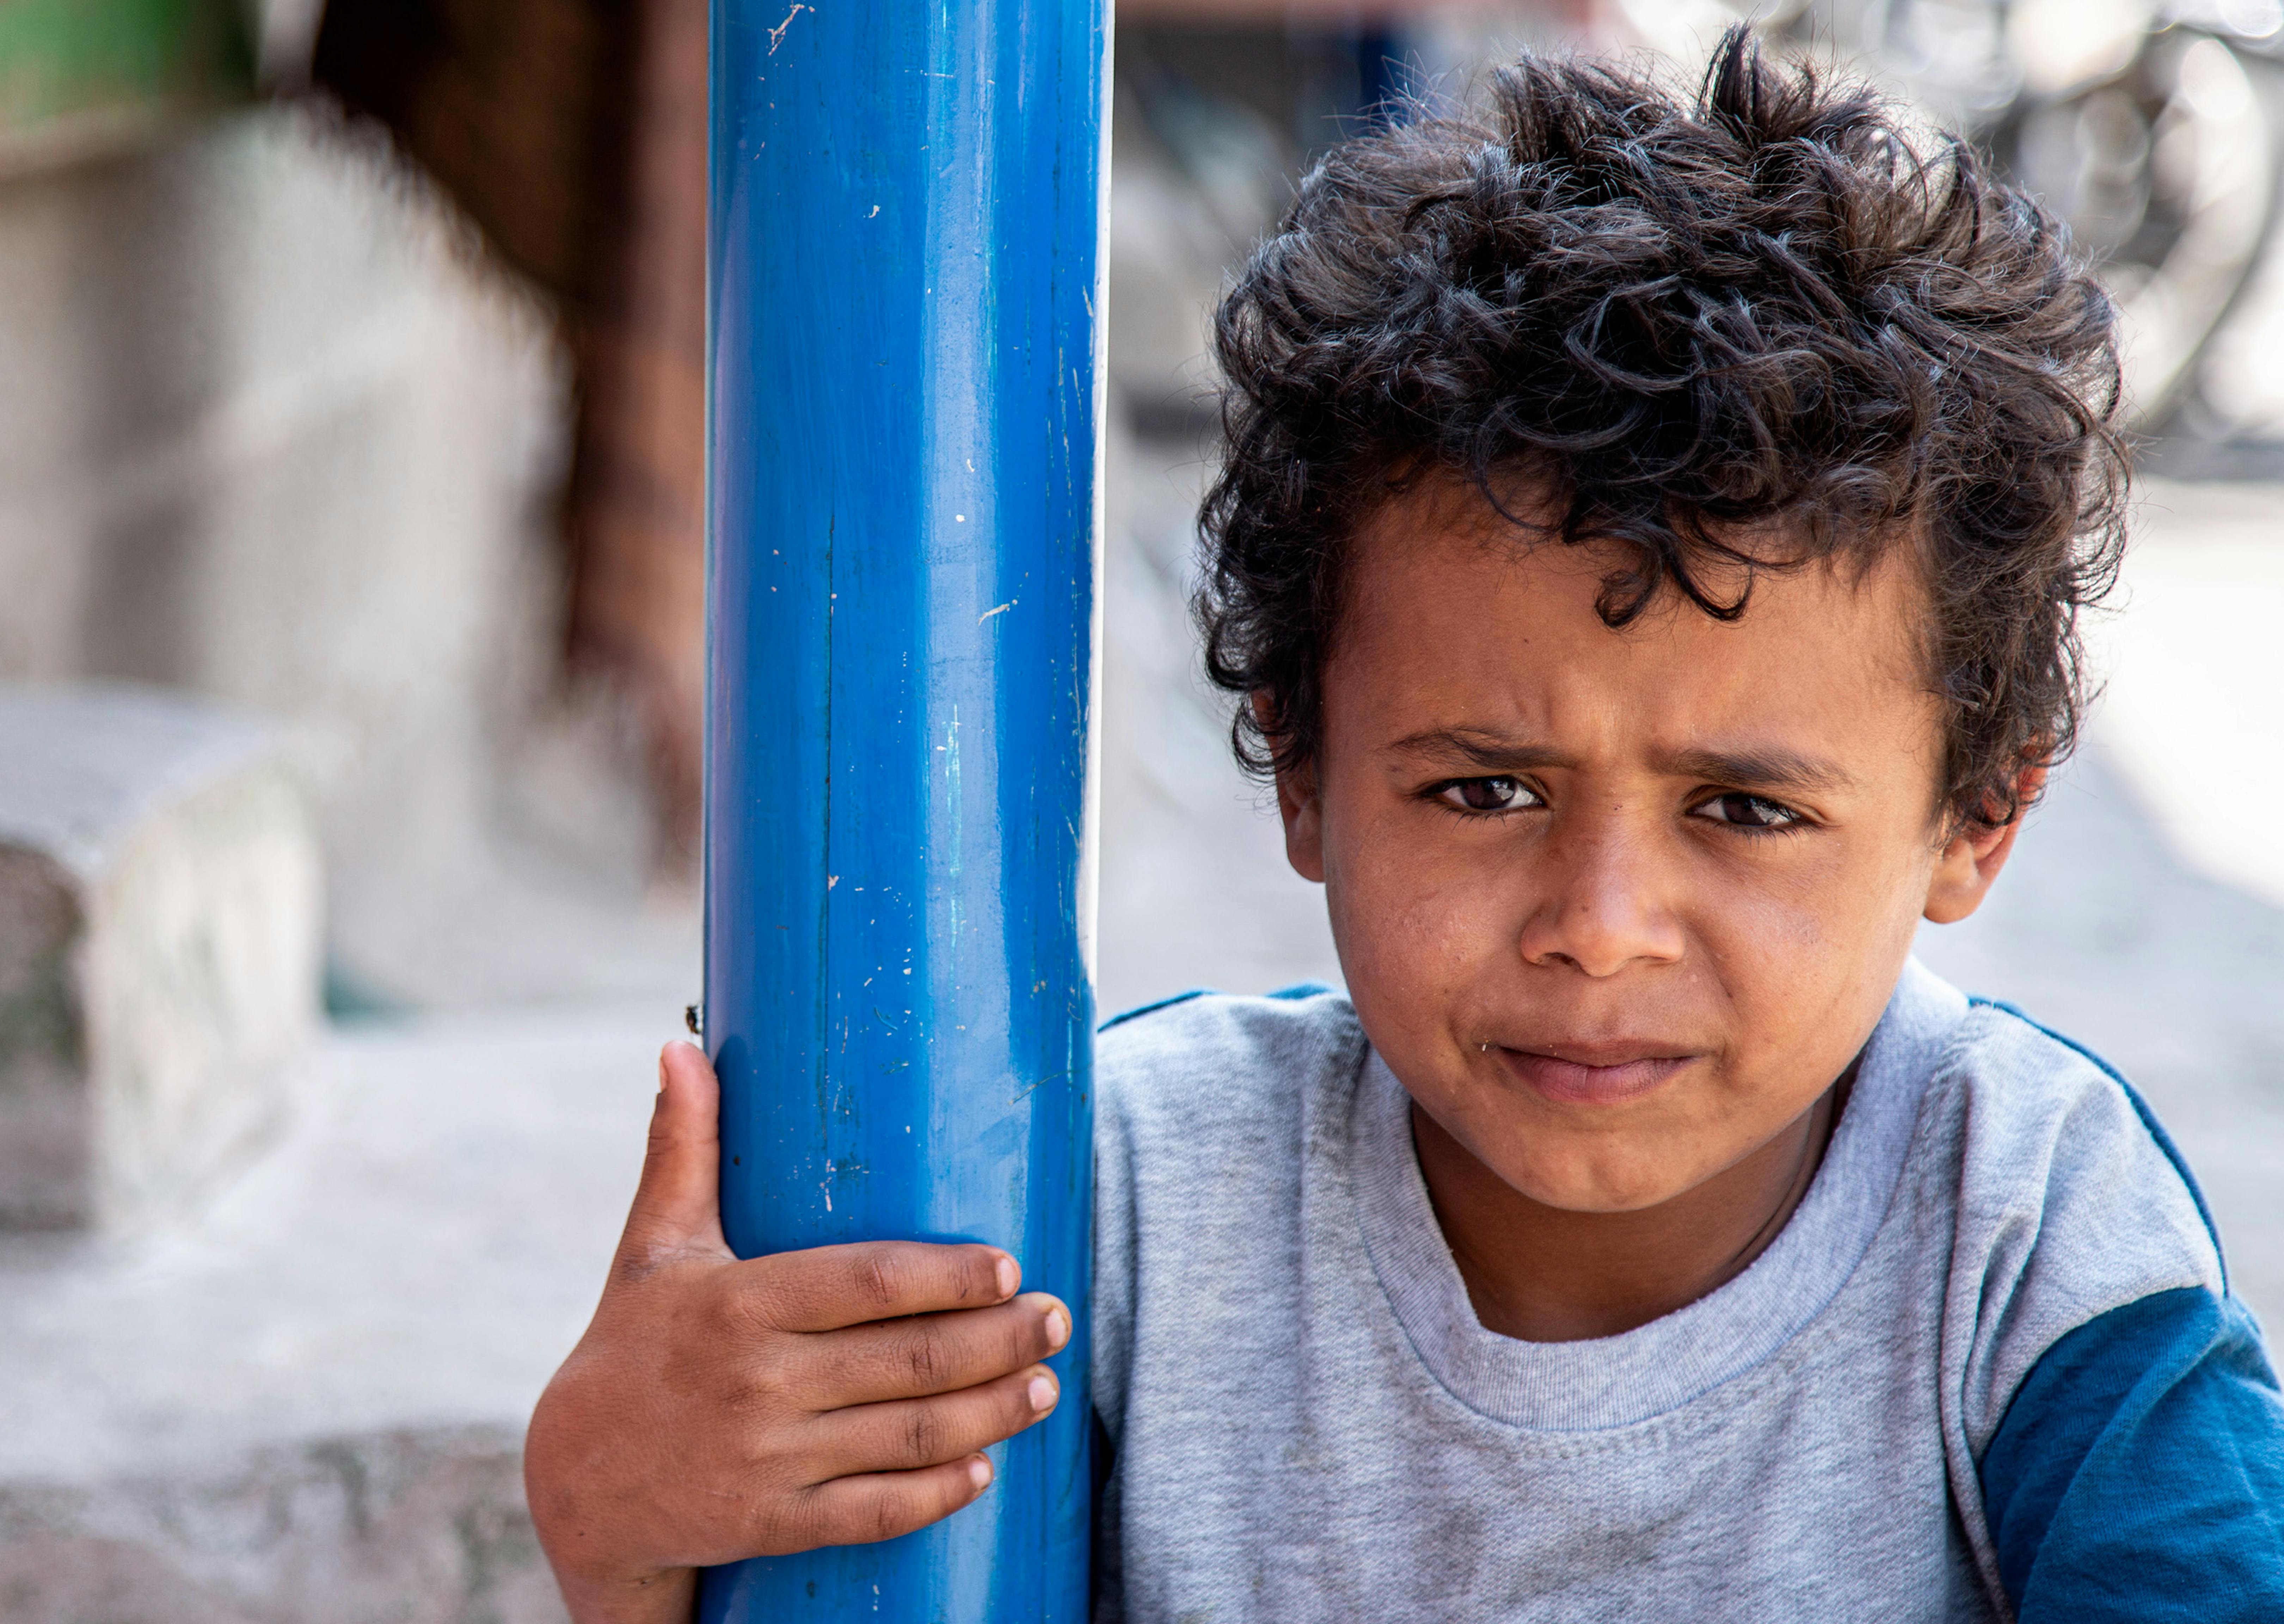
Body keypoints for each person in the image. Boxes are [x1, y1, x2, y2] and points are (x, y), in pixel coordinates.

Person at [521, 30, 2284, 1621]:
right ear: (1296, 769)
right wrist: (620, 1527)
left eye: (1743, 810)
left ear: (1976, 819)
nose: (1597, 923)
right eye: (1482, 789)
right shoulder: (1108, 1207)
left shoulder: (2023, 1223)